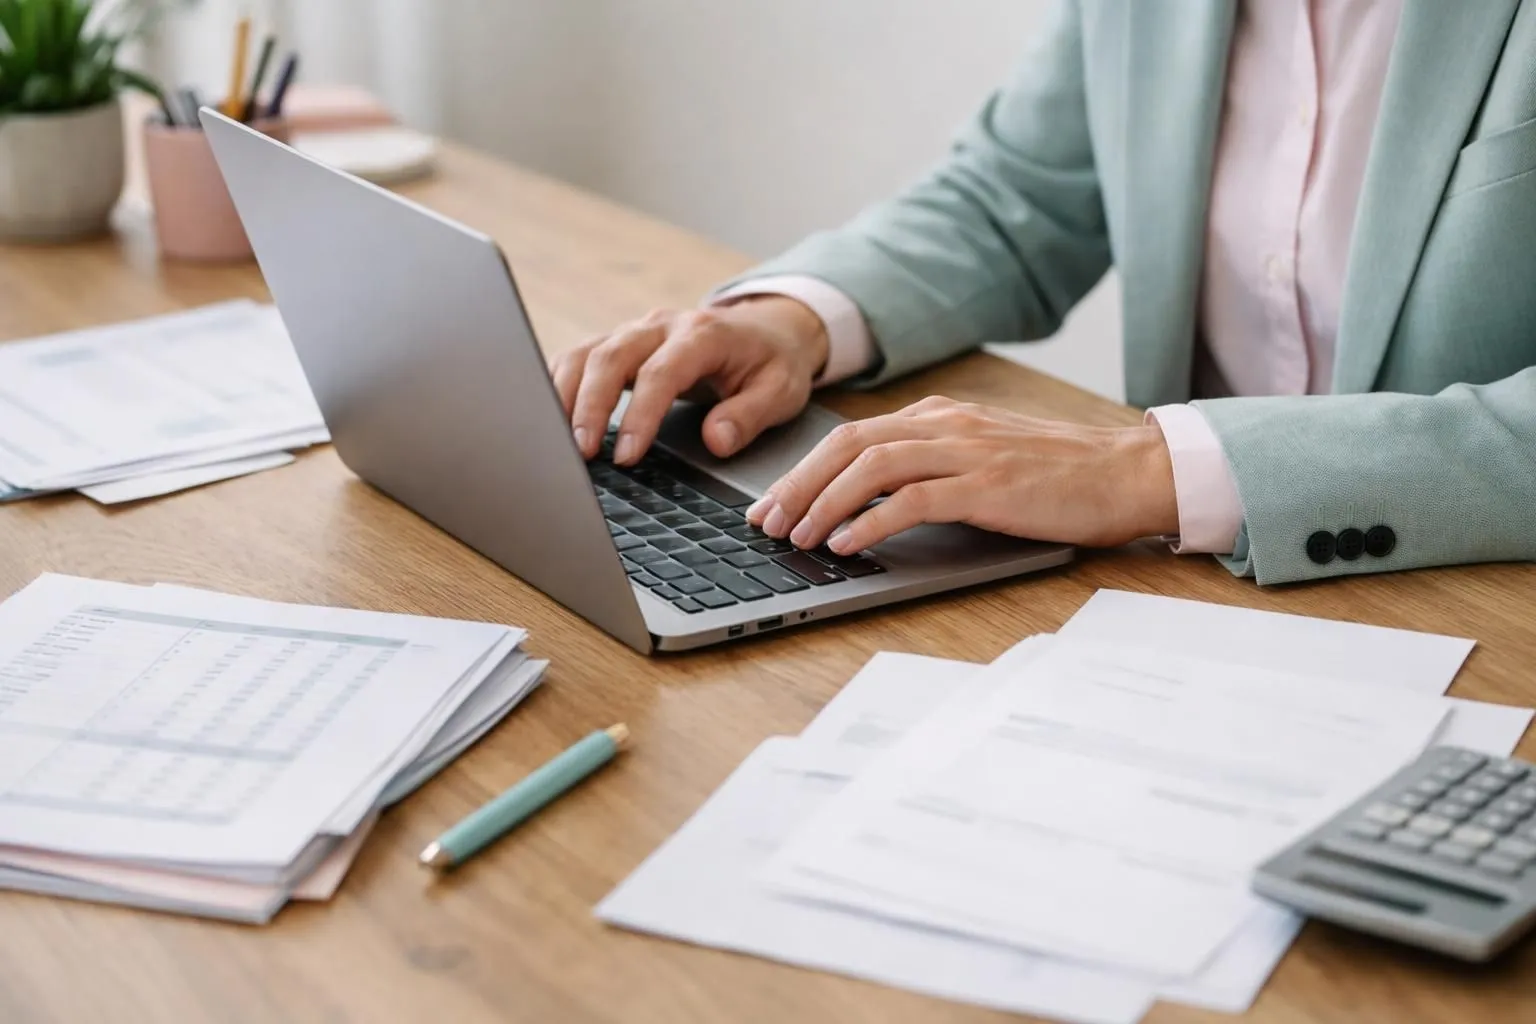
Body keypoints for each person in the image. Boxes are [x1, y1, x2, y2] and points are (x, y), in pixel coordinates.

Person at [552, 0, 1536, 585]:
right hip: (1192, 599)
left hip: (1474, 603)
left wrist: (1145, 471)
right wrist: (797, 319)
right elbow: (1021, 192)